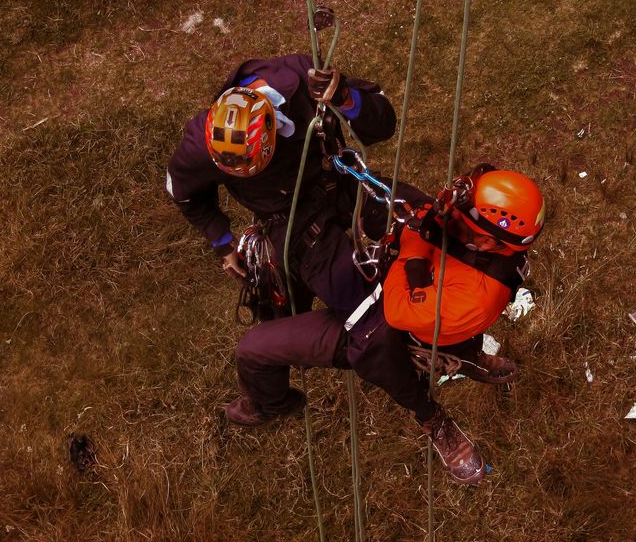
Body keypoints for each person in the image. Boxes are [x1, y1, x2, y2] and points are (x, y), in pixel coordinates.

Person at [227, 166, 546, 485]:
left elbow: (395, 311)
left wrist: (413, 248)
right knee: (366, 195)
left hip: (393, 325)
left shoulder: (477, 295)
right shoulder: (481, 239)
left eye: (465, 215)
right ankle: (468, 354)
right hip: (423, 297)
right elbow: (430, 214)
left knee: (257, 349)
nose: (454, 214)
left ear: (488, 242)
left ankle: (432, 418)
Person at [166, 53, 397, 316]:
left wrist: (345, 98)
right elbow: (184, 192)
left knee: (425, 223)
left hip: (338, 178)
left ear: (273, 126)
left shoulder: (303, 80)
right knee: (360, 303)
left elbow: (385, 123)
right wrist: (222, 240)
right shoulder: (200, 146)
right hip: (290, 220)